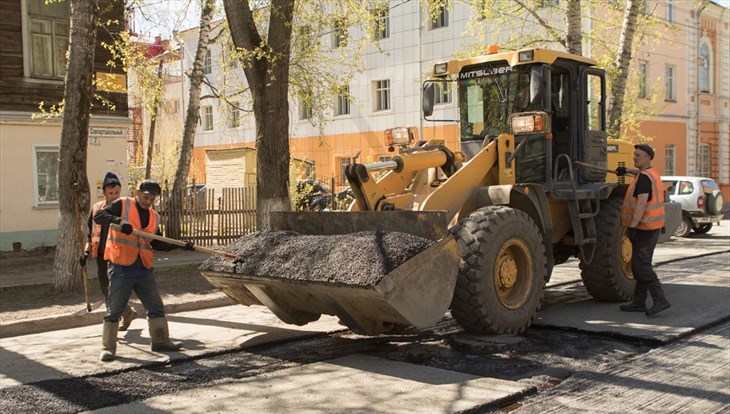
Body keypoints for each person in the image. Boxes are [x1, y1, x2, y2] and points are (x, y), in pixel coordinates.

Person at [93, 180, 195, 362]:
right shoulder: (122, 204)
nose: (148, 201)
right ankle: (107, 347)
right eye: (146, 197)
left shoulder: (154, 216)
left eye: (152, 199)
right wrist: (118, 221)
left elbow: (157, 242)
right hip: (121, 266)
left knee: (155, 306)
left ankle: (160, 341)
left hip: (144, 268)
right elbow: (99, 216)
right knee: (115, 308)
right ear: (137, 193)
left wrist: (179, 246)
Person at [616, 144, 671, 316]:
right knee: (638, 264)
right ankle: (639, 302)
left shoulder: (645, 179)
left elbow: (641, 204)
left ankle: (660, 298)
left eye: (638, 155)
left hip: (645, 228)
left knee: (641, 266)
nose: (634, 157)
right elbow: (638, 173)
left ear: (647, 158)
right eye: (634, 155)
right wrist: (626, 170)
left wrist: (632, 226)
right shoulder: (648, 174)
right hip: (650, 226)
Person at [84, 172, 137, 331]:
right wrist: (86, 251)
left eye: (116, 193)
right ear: (104, 193)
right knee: (105, 288)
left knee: (114, 288)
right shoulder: (97, 208)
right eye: (110, 193)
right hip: (101, 254)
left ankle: (114, 320)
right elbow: (89, 231)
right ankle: (126, 313)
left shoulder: (123, 209)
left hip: (117, 254)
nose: (114, 196)